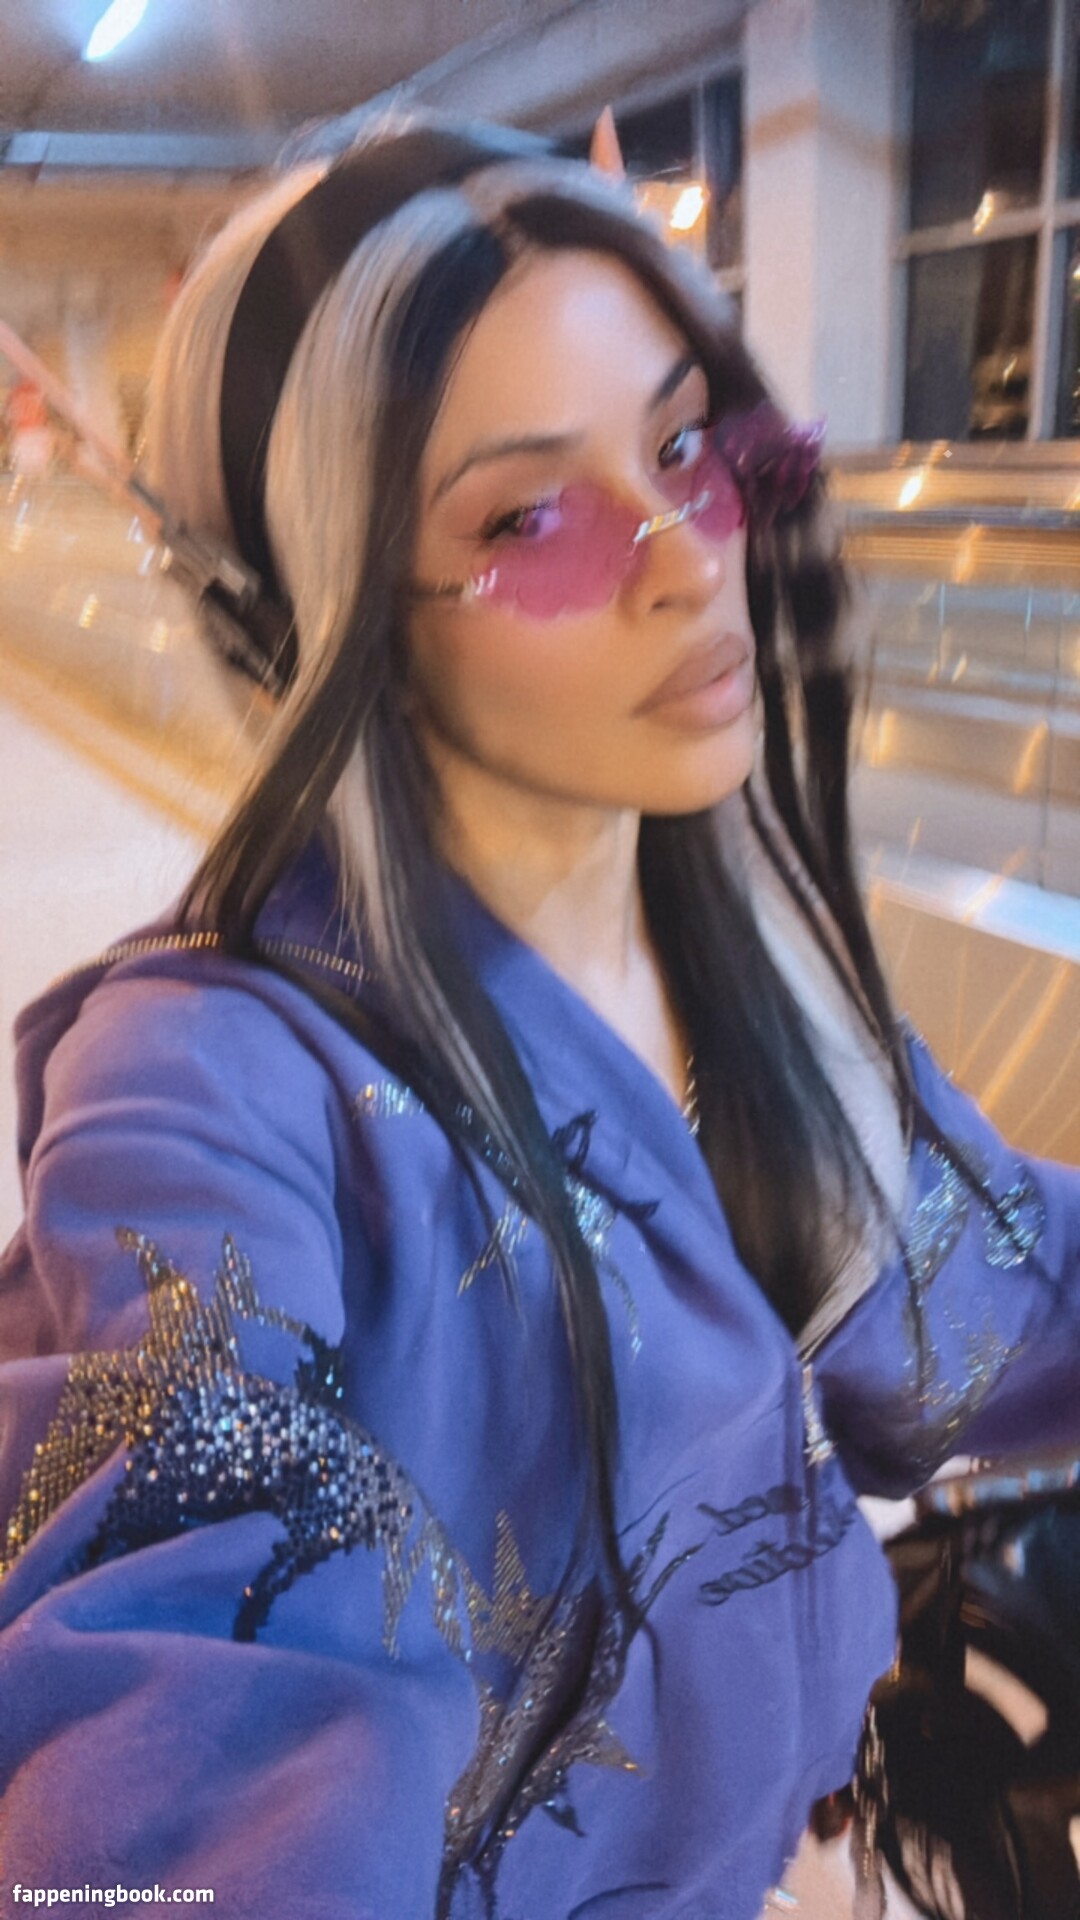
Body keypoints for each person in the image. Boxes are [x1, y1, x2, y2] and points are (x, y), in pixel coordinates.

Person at [0, 112, 1077, 1920]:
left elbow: (972, 1300)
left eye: (686, 448)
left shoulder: (755, 974)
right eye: (526, 520)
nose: (687, 561)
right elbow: (184, 1653)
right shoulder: (210, 1088)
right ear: (325, 618)